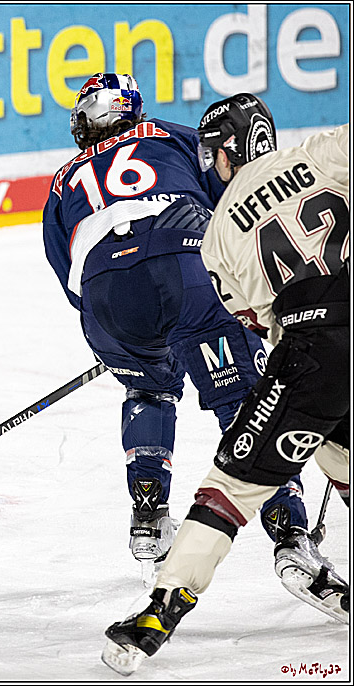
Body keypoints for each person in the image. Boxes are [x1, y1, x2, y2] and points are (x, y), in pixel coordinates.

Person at [102, 95, 349, 675]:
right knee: (339, 450)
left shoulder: (217, 233)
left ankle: (158, 613)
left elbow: (257, 321)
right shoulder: (322, 152)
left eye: (211, 154)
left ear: (226, 152)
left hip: (313, 354)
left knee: (230, 486)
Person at [42, 74, 312, 575]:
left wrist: (124, 328)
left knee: (149, 391)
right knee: (243, 398)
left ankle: (148, 518)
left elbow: (70, 277)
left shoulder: (62, 181)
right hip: (185, 270)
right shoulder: (172, 135)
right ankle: (289, 532)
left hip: (106, 302)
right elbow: (233, 198)